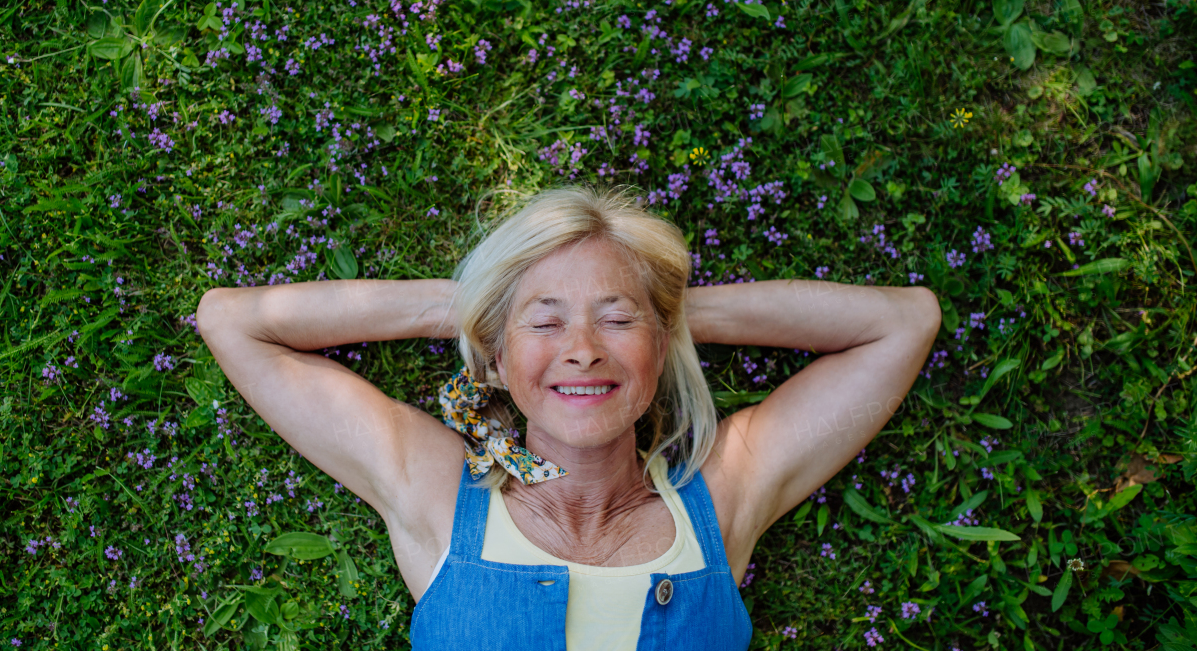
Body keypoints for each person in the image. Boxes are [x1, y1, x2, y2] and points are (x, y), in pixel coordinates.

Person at [197, 186, 941, 649]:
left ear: (659, 347)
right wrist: (478, 314)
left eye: (614, 320)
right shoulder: (437, 493)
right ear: (493, 358)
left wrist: (671, 313)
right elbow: (232, 321)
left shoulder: (724, 494)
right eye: (547, 325)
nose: (583, 350)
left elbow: (903, 323)